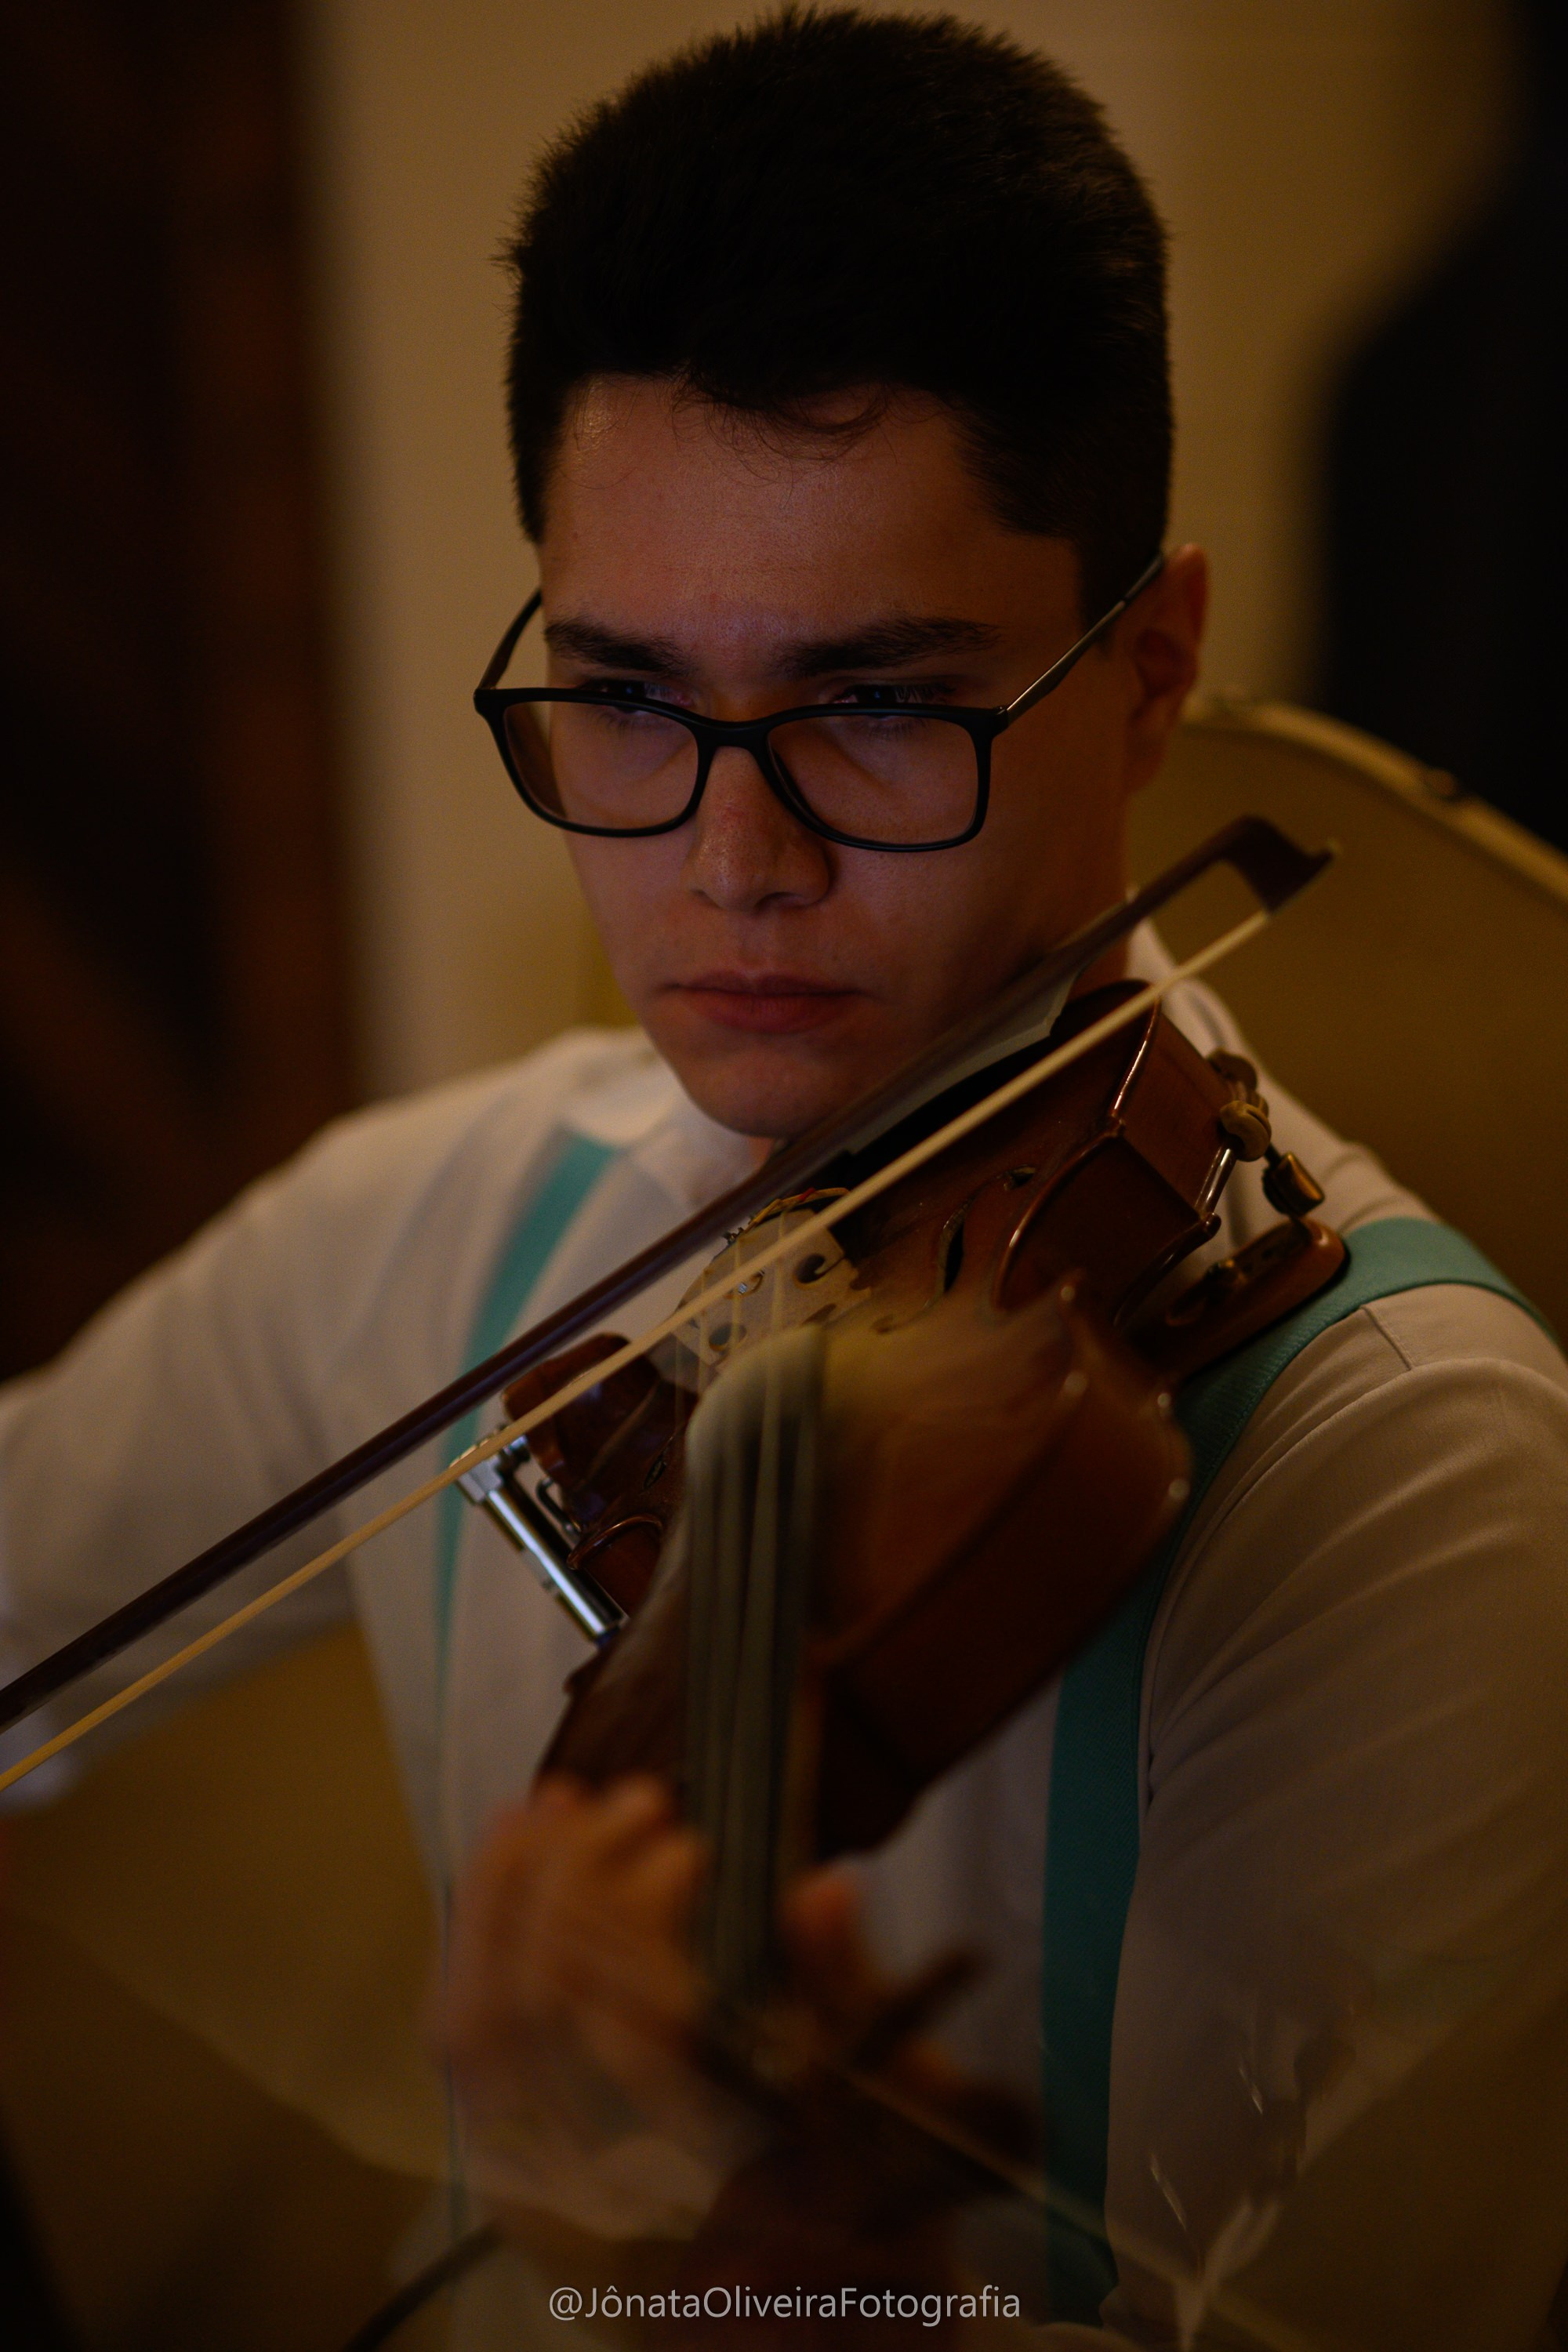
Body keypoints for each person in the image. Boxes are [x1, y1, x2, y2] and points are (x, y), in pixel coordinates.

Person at [4, 10, 1568, 2344]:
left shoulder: (1414, 1485)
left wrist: (740, 2276)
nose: (734, 860)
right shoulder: (438, 1226)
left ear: (1151, 672)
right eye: (631, 697)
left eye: (880, 705)